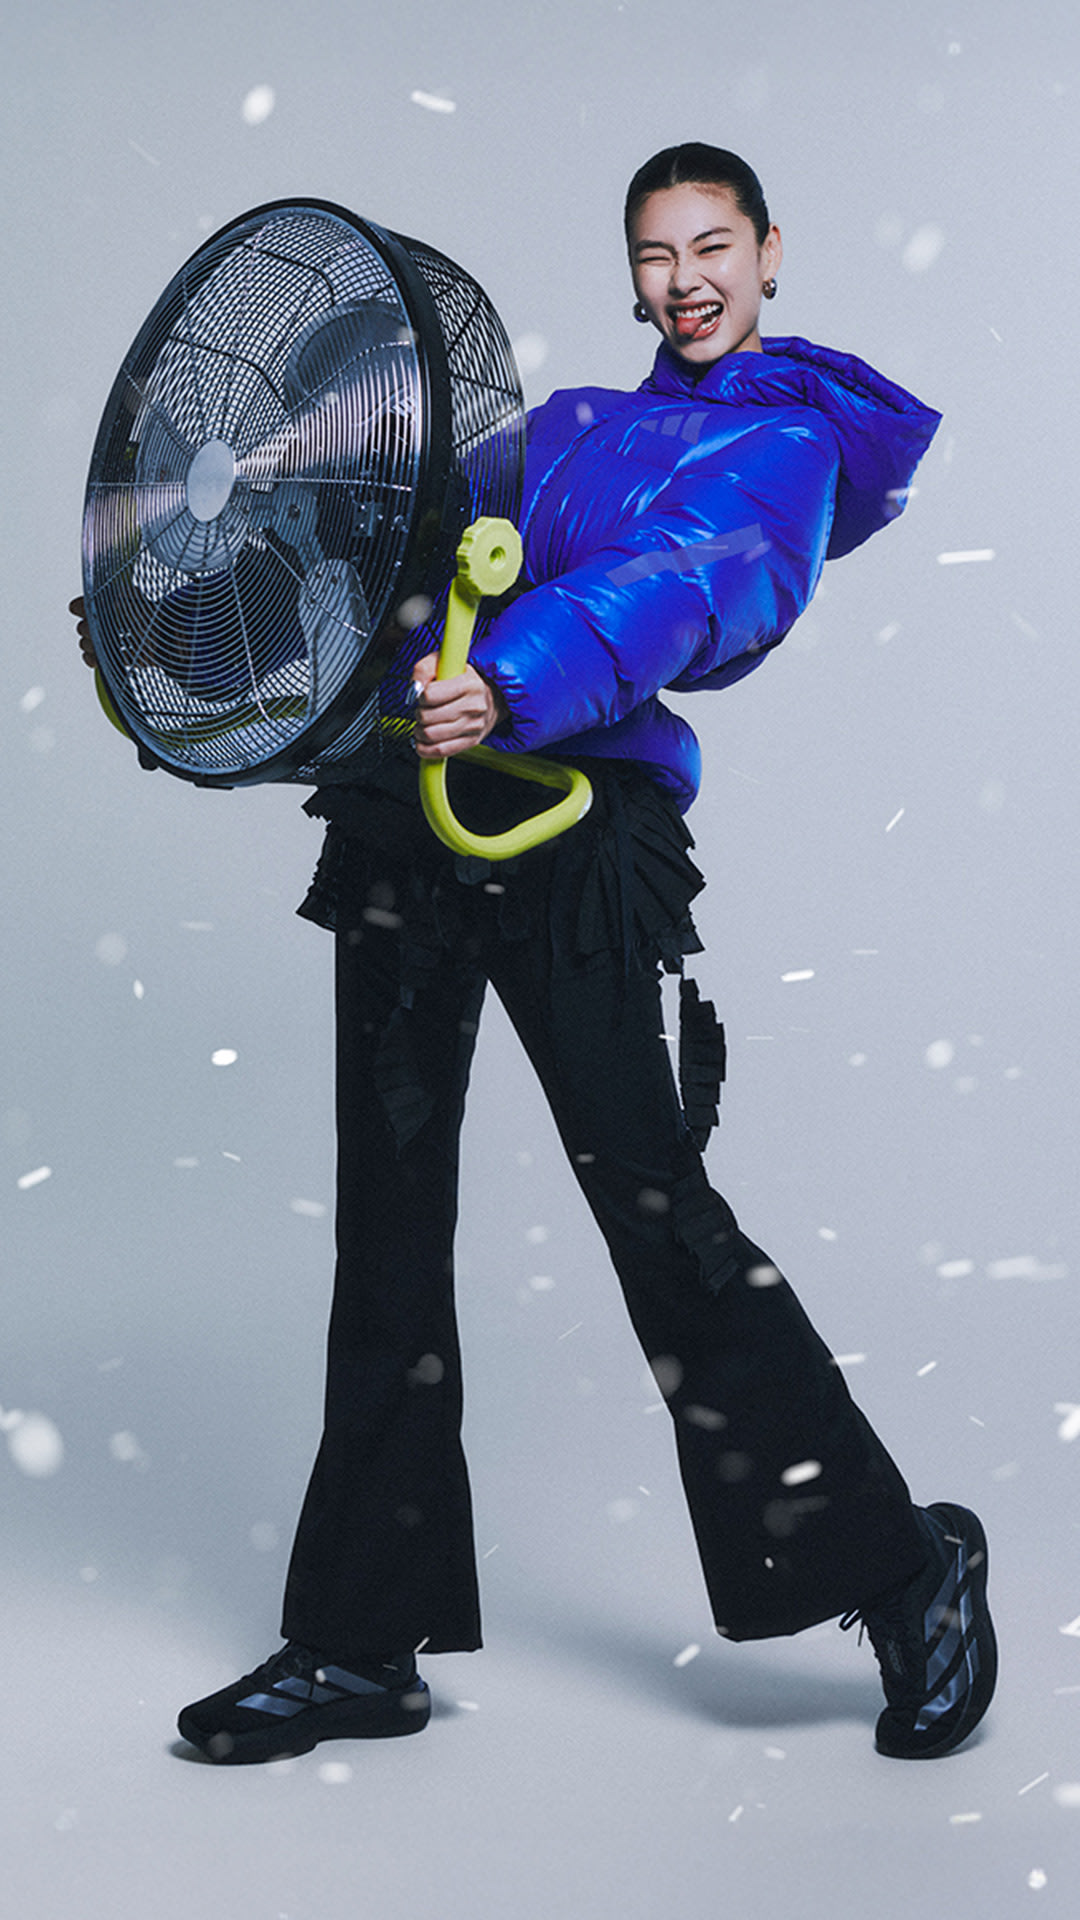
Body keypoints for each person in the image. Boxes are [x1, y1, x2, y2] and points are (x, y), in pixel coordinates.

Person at [73, 144, 997, 1766]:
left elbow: (682, 589)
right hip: (412, 824)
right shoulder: (563, 427)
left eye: (715, 246)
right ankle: (361, 1642)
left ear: (771, 254)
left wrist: (515, 675)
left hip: (569, 828)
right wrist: (180, 606)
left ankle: (905, 1573)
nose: (687, 278)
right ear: (631, 270)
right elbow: (397, 560)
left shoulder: (781, 449)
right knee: (388, 1227)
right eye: (658, 253)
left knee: (656, 1216)